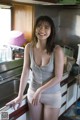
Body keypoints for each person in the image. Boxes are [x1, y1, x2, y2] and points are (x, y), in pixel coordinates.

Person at [6, 16, 64, 120]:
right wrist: (19, 96)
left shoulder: (57, 50)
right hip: (33, 93)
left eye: (46, 27)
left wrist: (40, 91)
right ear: (35, 29)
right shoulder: (29, 47)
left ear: (51, 30)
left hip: (52, 96)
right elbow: (25, 72)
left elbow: (58, 77)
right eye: (39, 26)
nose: (42, 30)